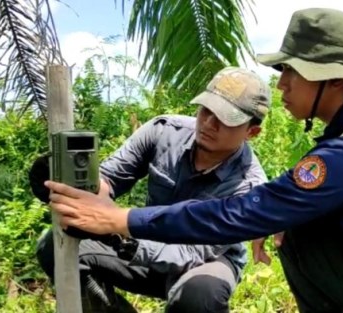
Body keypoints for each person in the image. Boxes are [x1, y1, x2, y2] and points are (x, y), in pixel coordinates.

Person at [44, 8, 343, 313]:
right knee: (297, 230)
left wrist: (122, 220)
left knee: (214, 282)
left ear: (330, 80)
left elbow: (237, 215)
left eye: (290, 73)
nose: (282, 87)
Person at [31, 67, 271, 313]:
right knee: (52, 246)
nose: (209, 123)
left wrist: (122, 238)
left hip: (202, 263)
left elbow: (191, 252)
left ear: (251, 132)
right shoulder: (163, 132)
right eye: (206, 110)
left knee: (200, 296)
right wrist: (83, 187)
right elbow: (110, 177)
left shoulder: (248, 188)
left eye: (224, 119)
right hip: (144, 244)